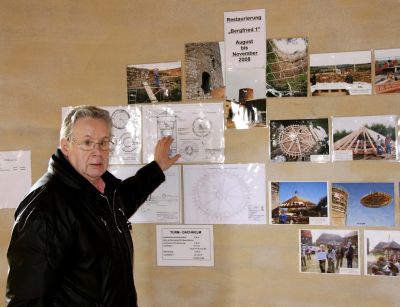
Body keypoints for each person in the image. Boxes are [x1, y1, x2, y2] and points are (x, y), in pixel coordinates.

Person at [6, 106, 180, 307]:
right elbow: (27, 299)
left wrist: (156, 168)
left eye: (104, 143)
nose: (98, 152)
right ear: (66, 146)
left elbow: (124, 199)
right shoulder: (45, 206)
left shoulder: (100, 190)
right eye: (87, 143)